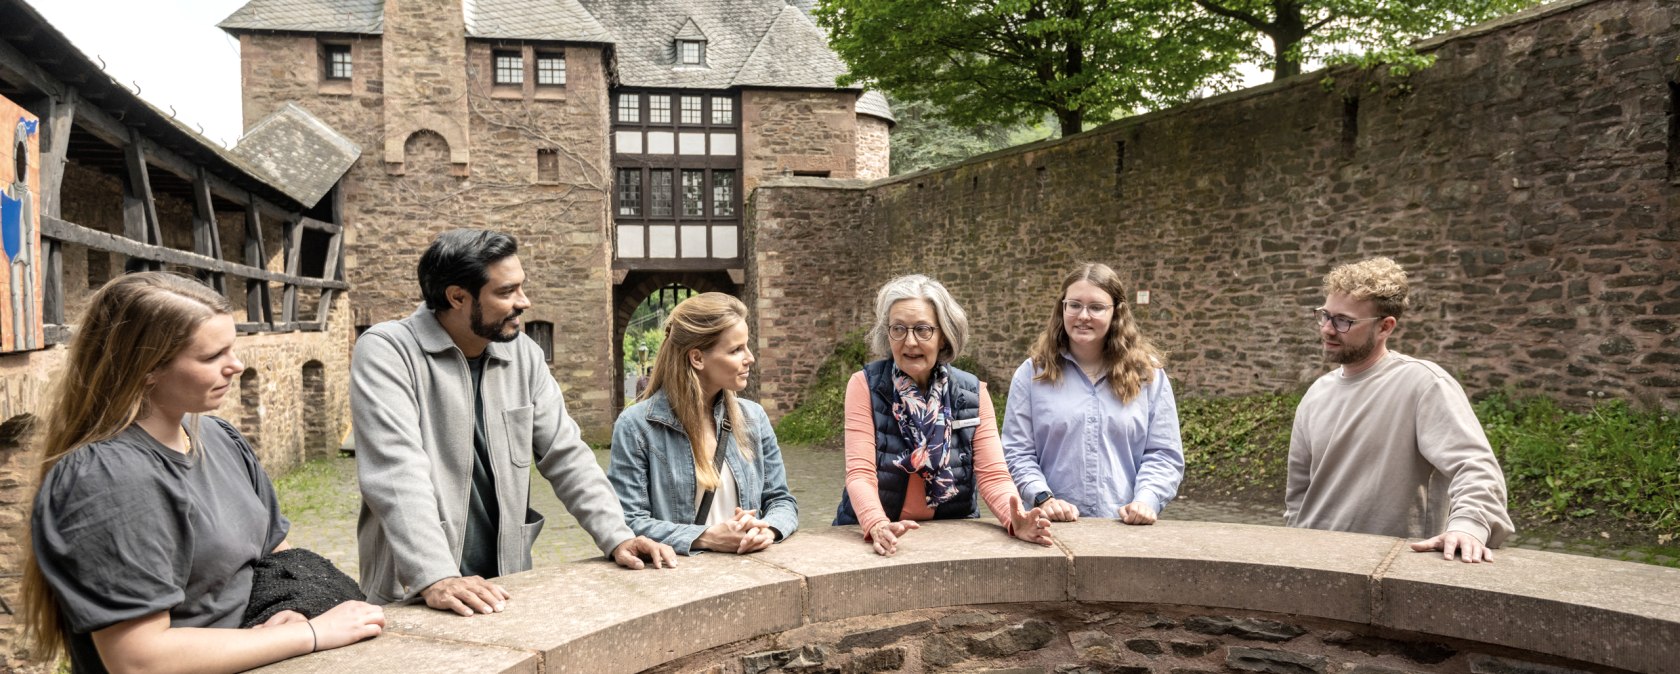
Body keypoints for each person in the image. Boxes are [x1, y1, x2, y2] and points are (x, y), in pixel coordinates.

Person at [20, 272, 384, 674]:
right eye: (212, 357)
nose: (237, 366)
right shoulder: (106, 480)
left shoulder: (217, 436)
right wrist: (308, 635)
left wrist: (292, 608)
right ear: (146, 370)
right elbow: (138, 659)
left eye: (232, 348)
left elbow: (276, 554)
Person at [351, 229, 674, 616]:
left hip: (505, 585)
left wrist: (618, 536)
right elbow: (395, 471)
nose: (524, 302)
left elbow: (566, 455)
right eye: (506, 292)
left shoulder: (524, 355)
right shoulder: (387, 351)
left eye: (520, 287)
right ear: (457, 297)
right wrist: (435, 575)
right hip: (417, 590)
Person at [1286, 257, 1515, 563]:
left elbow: (1475, 468)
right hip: (1313, 564)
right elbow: (1298, 495)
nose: (1327, 329)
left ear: (1385, 327)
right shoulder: (1316, 394)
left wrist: (1469, 527)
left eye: (1343, 321)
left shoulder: (1424, 385)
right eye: (1324, 315)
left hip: (1391, 570)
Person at [834, 274, 1054, 555]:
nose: (909, 341)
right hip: (877, 533)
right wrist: (876, 524)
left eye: (923, 330)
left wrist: (1015, 519)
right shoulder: (864, 385)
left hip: (952, 532)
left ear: (943, 336)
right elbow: (860, 474)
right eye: (898, 329)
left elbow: (993, 476)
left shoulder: (973, 391)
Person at [608, 293, 798, 555]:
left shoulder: (754, 418)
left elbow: (781, 500)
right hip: (681, 582)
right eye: (736, 350)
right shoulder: (636, 427)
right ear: (697, 358)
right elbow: (629, 520)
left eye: (747, 346)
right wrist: (705, 537)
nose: (750, 357)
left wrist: (766, 529)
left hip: (750, 575)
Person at [1002, 263, 1184, 524]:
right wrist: (1044, 498)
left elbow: (1163, 453)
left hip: (1125, 528)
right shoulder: (1032, 374)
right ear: (1062, 308)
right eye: (1074, 305)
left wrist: (1146, 500)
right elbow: (1017, 452)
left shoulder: (1147, 374)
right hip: (1052, 527)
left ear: (1116, 312)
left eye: (1096, 307)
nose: (1083, 316)